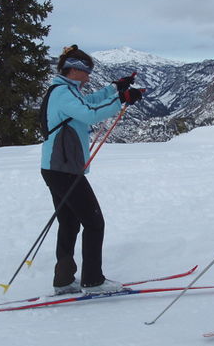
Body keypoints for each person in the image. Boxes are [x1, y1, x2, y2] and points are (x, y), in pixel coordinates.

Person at [40, 45, 143, 295]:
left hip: (57, 167)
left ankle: (64, 281)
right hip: (64, 168)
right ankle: (93, 281)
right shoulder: (63, 93)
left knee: (69, 222)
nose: (88, 77)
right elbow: (89, 114)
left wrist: (114, 89)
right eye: (86, 72)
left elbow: (88, 102)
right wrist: (122, 99)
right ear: (74, 70)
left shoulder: (66, 90)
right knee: (94, 222)